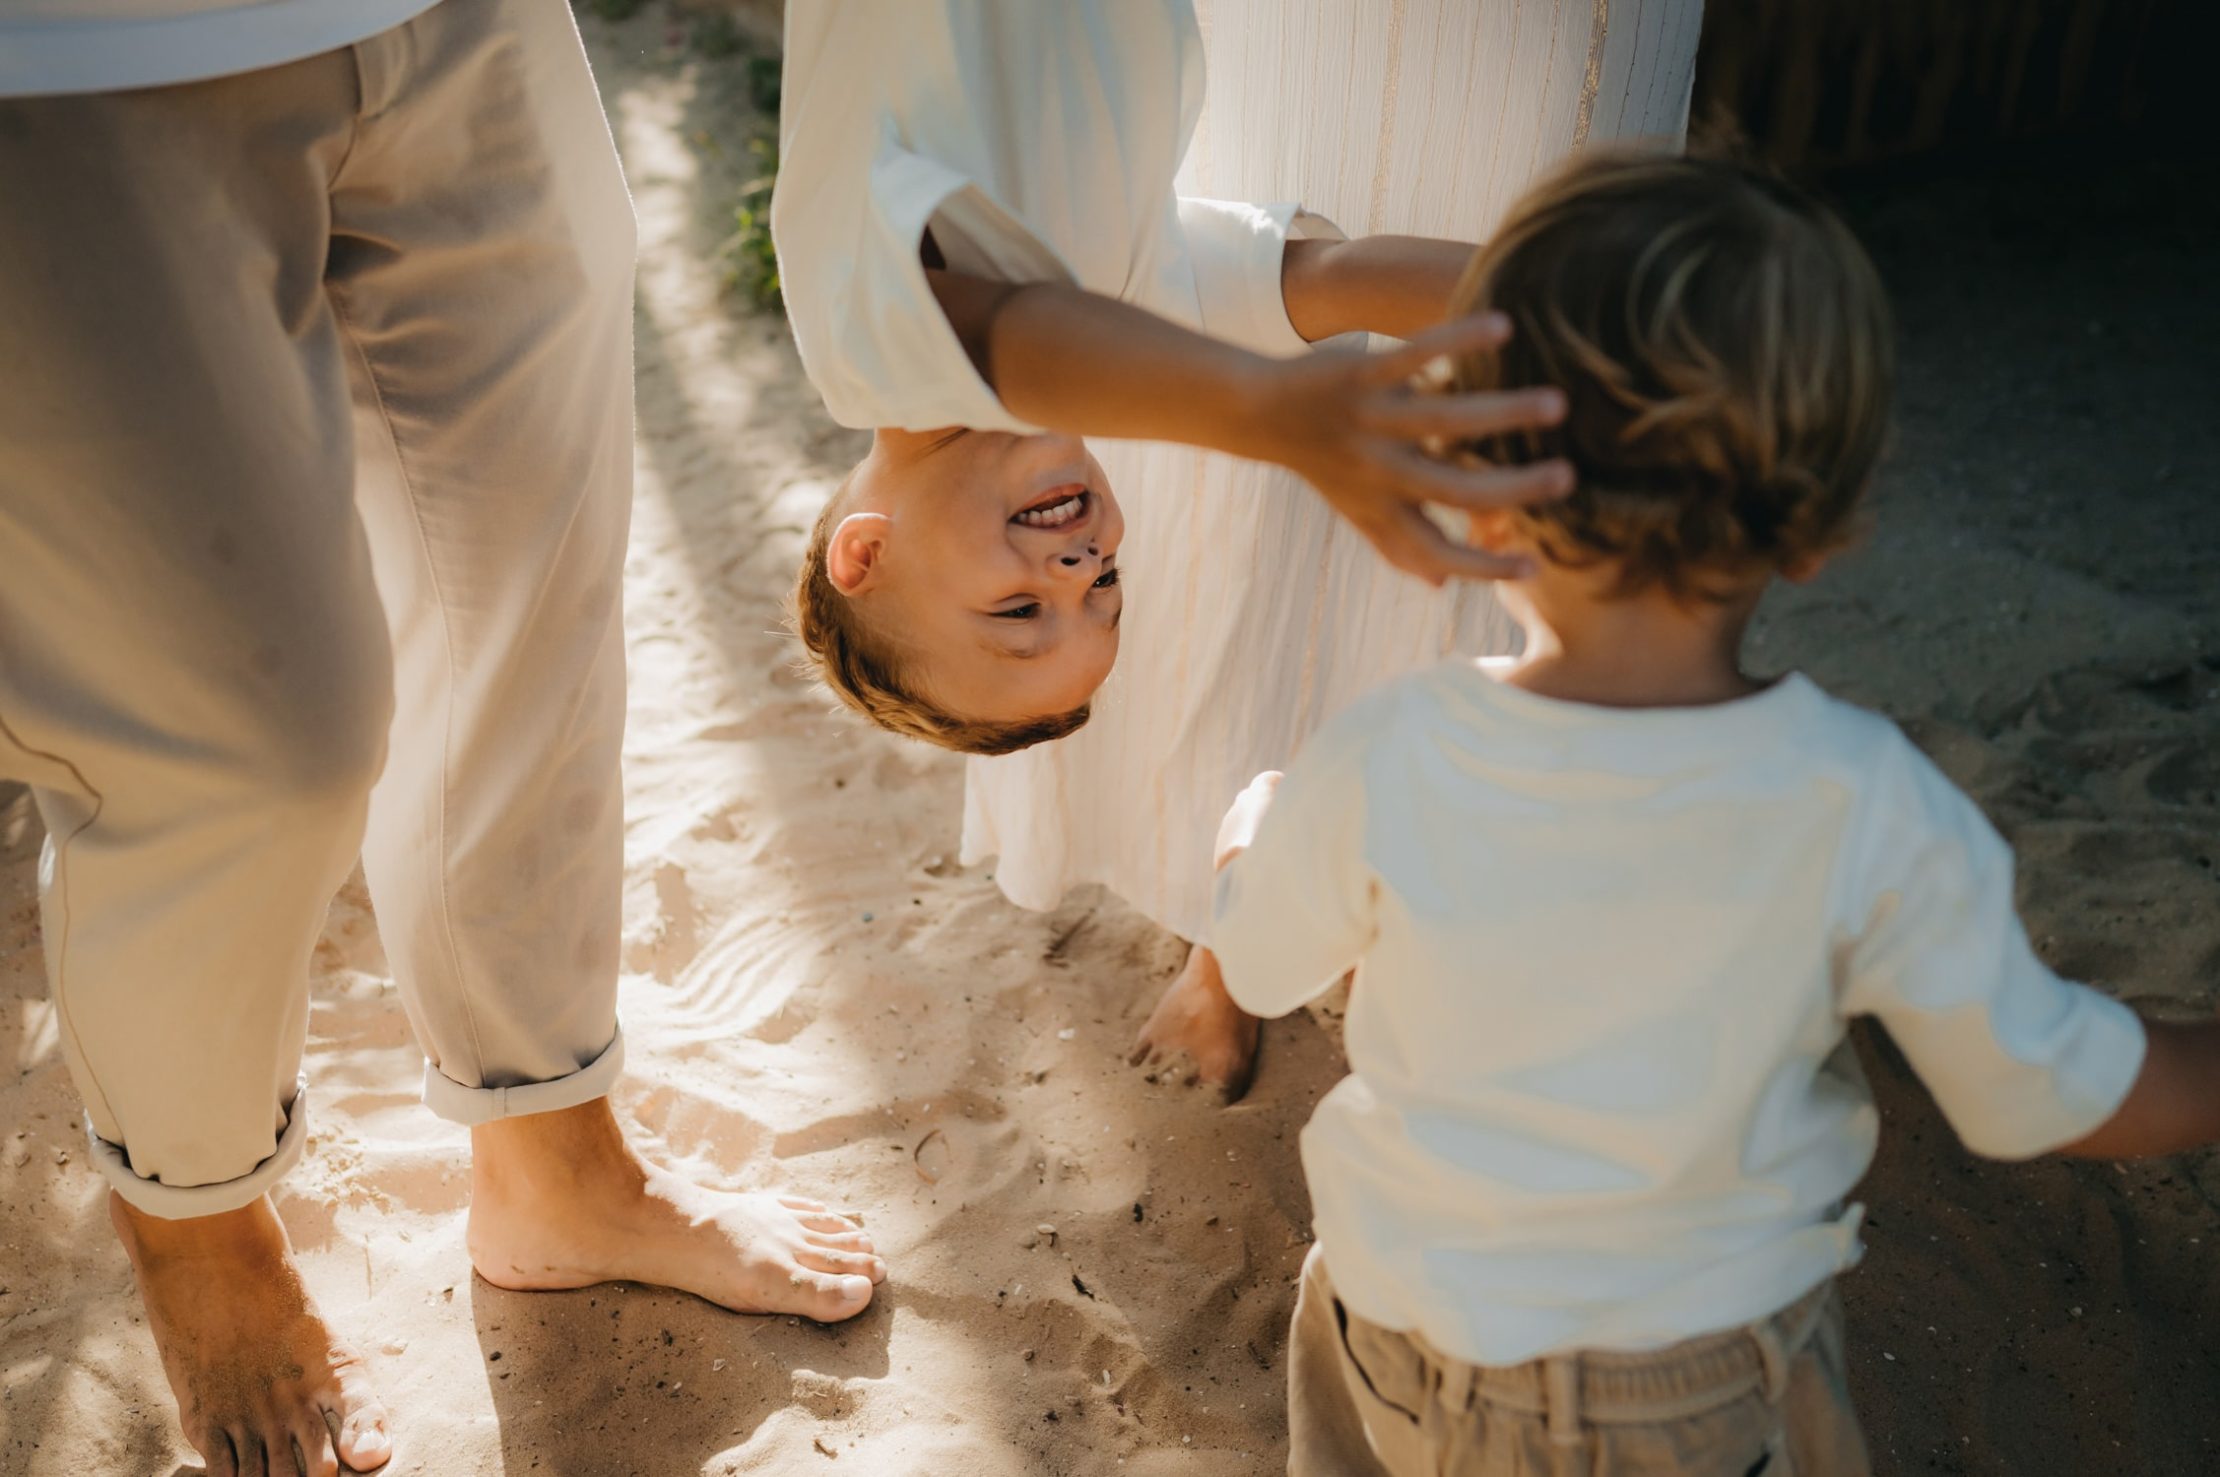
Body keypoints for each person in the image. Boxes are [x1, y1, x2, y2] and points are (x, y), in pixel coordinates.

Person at [1208, 151, 2210, 1475]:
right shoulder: (1864, 800)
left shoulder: (1390, 751)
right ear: (1819, 531)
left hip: (1393, 1328)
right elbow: (2040, 1088)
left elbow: (1266, 961)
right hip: (1686, 1393)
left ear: (1476, 475)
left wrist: (1249, 827)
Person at [0, 4, 882, 1474]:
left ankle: (555, 1159)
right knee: (242, 745)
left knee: (520, 589)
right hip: (65, 64)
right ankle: (196, 1219)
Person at [960, 0, 1708, 1099]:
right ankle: (1359, 956)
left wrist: (1250, 844)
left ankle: (1357, 944)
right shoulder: (1861, 796)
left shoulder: (923, 307)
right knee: (1274, 319)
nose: (1079, 574)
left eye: (1033, 610)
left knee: (1547, 246)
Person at [773, 0, 1574, 756]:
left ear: (867, 554)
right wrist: (1577, 324)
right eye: (1106, 585)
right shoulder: (1135, 320)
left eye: (1020, 611)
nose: (1081, 569)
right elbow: (1338, 280)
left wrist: (1276, 416)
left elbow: (1003, 335)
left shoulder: (859, 351)